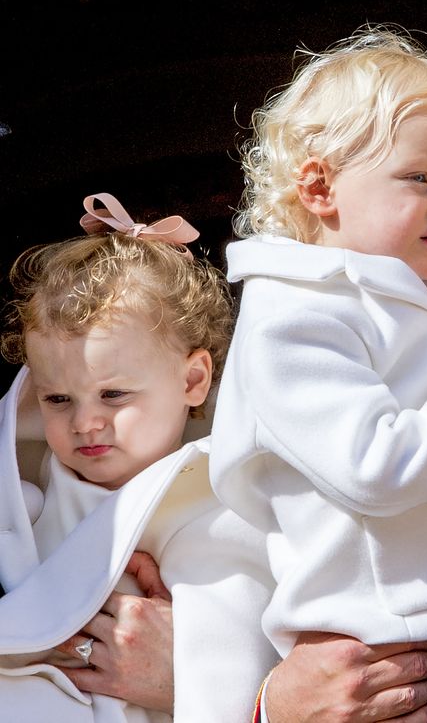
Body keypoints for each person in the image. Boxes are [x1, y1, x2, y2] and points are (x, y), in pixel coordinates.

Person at [205, 23, 427, 720]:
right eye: (421, 178)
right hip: (377, 649)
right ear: (319, 186)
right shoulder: (292, 318)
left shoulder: (407, 302)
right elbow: (373, 463)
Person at [0, 192, 278, 722]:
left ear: (192, 380)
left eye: (114, 395)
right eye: (58, 399)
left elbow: (237, 632)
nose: (84, 423)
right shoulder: (23, 478)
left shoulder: (221, 499)